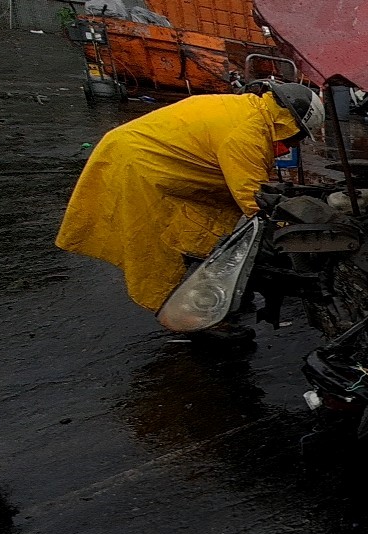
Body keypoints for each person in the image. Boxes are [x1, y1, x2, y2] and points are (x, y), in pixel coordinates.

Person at [55, 81, 325, 342]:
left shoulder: (249, 109)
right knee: (154, 247)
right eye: (297, 137)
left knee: (201, 222)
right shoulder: (248, 131)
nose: (292, 145)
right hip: (139, 169)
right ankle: (192, 318)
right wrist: (291, 233)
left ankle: (214, 287)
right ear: (290, 124)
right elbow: (253, 198)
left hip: (148, 160)